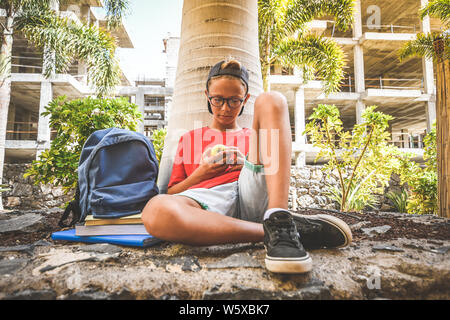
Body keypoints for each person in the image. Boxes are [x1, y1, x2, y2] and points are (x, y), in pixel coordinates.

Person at [142, 59, 352, 274]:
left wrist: (248, 165)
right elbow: (172, 192)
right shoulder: (189, 139)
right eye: (218, 100)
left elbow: (268, 172)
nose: (225, 108)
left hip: (252, 193)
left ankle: (279, 216)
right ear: (207, 96)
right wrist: (201, 173)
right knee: (156, 210)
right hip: (207, 202)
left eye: (234, 101)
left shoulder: (253, 137)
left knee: (272, 99)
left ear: (245, 100)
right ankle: (279, 231)